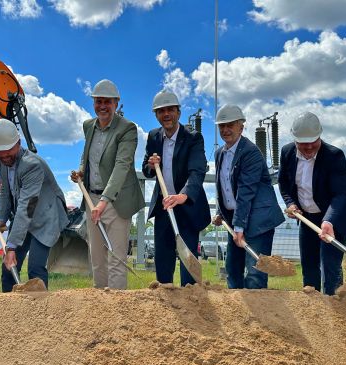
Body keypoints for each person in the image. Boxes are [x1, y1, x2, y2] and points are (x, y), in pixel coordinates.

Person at [70, 79, 144, 290]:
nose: (102, 106)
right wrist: (81, 170)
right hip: (91, 198)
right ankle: (100, 306)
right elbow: (88, 156)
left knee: (116, 258)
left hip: (116, 201)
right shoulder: (88, 126)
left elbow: (122, 165)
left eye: (108, 102)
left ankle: (118, 309)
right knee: (97, 257)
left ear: (116, 103)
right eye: (98, 101)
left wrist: (104, 201)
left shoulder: (127, 129)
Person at [278, 112, 346, 295]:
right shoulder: (287, 152)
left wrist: (329, 221)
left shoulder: (334, 156)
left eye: (312, 141)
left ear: (320, 136)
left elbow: (340, 195)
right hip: (307, 217)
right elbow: (283, 183)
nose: (308, 147)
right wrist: (290, 203)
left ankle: (337, 309)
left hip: (335, 217)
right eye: (302, 142)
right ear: (294, 139)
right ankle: (314, 309)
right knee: (309, 263)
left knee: (330, 265)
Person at [0, 119, 68, 291]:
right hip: (25, 219)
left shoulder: (32, 165)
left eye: (8, 152)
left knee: (36, 268)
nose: (4, 157)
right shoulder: (2, 159)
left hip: (46, 216)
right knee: (8, 268)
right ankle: (10, 311)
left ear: (18, 142)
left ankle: (40, 313)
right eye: (0, 153)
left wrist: (11, 247)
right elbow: (6, 191)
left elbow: (27, 206)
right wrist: (2, 219)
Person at [212, 105, 284, 289]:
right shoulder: (220, 153)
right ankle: (236, 313)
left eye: (230, 125)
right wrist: (221, 211)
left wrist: (239, 227)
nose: (225, 130)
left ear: (241, 127)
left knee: (255, 274)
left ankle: (259, 316)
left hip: (258, 221)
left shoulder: (250, 152)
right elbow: (225, 187)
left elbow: (246, 191)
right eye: (222, 126)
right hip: (237, 220)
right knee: (232, 270)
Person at [142, 91, 210, 286]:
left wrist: (183, 195)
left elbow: (197, 171)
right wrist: (150, 164)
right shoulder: (154, 136)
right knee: (163, 259)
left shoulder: (193, 138)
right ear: (156, 115)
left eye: (170, 109)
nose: (166, 114)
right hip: (164, 207)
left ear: (178, 112)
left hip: (187, 207)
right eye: (161, 111)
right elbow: (146, 171)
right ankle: (165, 302)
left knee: (188, 264)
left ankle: (190, 302)